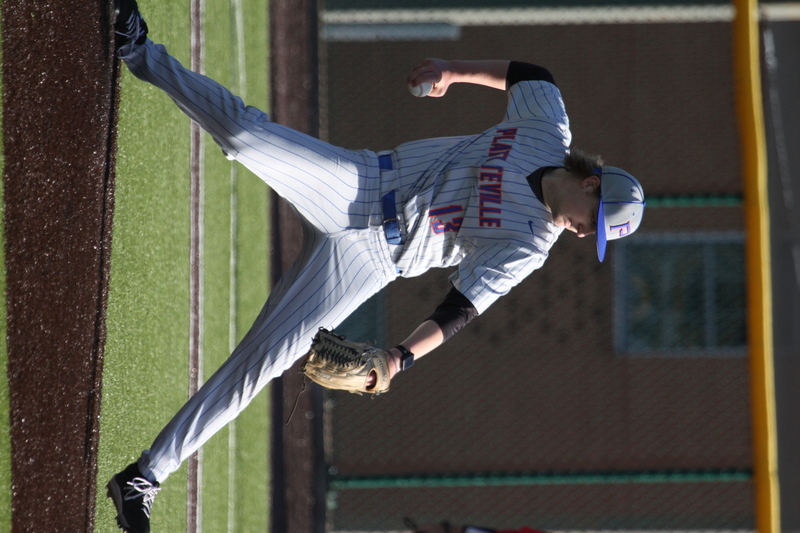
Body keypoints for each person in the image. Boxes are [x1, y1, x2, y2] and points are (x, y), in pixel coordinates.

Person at [106, 0, 646, 531]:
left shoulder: (529, 245)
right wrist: (453, 72)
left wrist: (397, 360)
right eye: (593, 222)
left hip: (371, 259)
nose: (583, 235)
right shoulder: (546, 130)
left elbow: (460, 309)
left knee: (264, 359)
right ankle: (139, 50)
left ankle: (143, 477)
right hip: (360, 184)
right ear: (591, 184)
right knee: (247, 137)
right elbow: (532, 74)